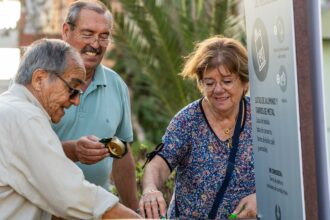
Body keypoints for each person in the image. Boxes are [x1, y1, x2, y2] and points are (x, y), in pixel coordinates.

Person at [0, 38, 141, 219]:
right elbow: (74, 197)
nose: (76, 101)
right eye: (72, 89)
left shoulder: (12, 108)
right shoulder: (26, 118)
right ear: (39, 79)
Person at [139, 36, 257, 219]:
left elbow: (285, 173)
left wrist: (262, 199)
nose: (218, 90)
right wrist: (149, 190)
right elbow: (160, 162)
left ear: (244, 82)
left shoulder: (261, 118)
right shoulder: (188, 120)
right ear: (200, 84)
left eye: (227, 81)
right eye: (209, 83)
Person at [51, 0, 139, 211]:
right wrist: (73, 150)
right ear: (66, 31)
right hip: (45, 209)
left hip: (96, 210)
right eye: (87, 34)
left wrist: (134, 212)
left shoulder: (116, 84)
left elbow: (121, 151)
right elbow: (24, 150)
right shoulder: (41, 80)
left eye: (103, 36)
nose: (96, 44)